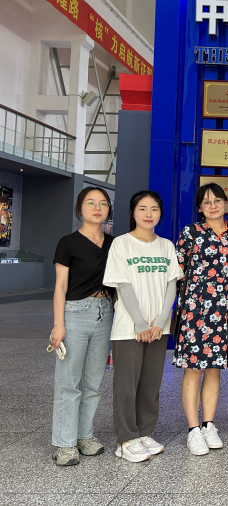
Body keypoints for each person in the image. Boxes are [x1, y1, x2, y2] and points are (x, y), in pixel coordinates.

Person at [103, 191, 183, 463]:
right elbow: (123, 285)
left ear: (160, 213)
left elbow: (172, 285)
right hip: (130, 327)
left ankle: (144, 433)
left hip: (159, 328)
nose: (149, 214)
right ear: (133, 212)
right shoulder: (122, 244)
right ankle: (126, 440)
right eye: (142, 208)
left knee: (150, 384)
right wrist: (139, 322)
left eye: (154, 209)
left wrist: (160, 321)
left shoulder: (166, 246)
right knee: (126, 385)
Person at [172, 183, 228, 455]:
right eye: (206, 202)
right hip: (194, 309)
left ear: (225, 203)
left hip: (222, 309)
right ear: (200, 208)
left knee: (214, 368)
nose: (212, 205)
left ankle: (208, 425)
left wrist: (222, 294)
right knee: (194, 368)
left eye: (217, 200)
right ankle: (193, 430)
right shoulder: (190, 232)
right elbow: (178, 270)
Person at [50, 187, 115, 466]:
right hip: (75, 313)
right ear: (80, 209)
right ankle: (65, 444)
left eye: (103, 203)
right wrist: (58, 325)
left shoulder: (114, 244)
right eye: (91, 203)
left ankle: (84, 436)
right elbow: (60, 286)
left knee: (93, 383)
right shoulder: (68, 243)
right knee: (69, 383)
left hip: (105, 312)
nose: (97, 208)